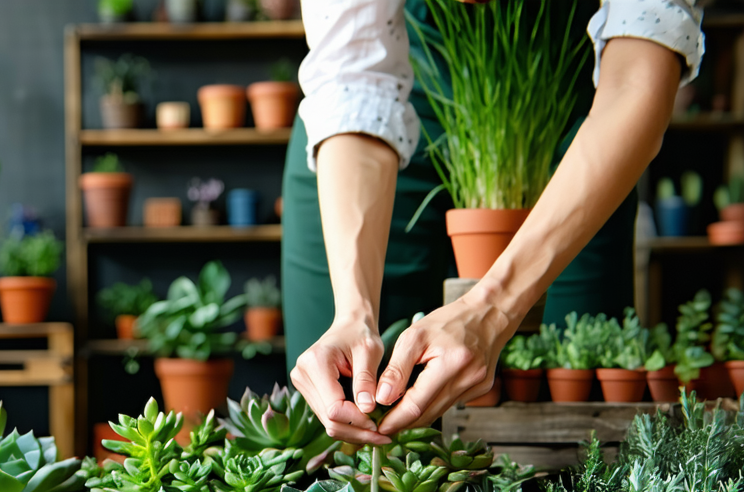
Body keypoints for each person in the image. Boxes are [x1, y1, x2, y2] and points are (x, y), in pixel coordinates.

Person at [283, 0, 701, 444]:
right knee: (331, 423)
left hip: (575, 115)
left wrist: (494, 307)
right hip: (401, 94)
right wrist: (353, 311)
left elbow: (638, 79)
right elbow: (353, 79)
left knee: (580, 426)